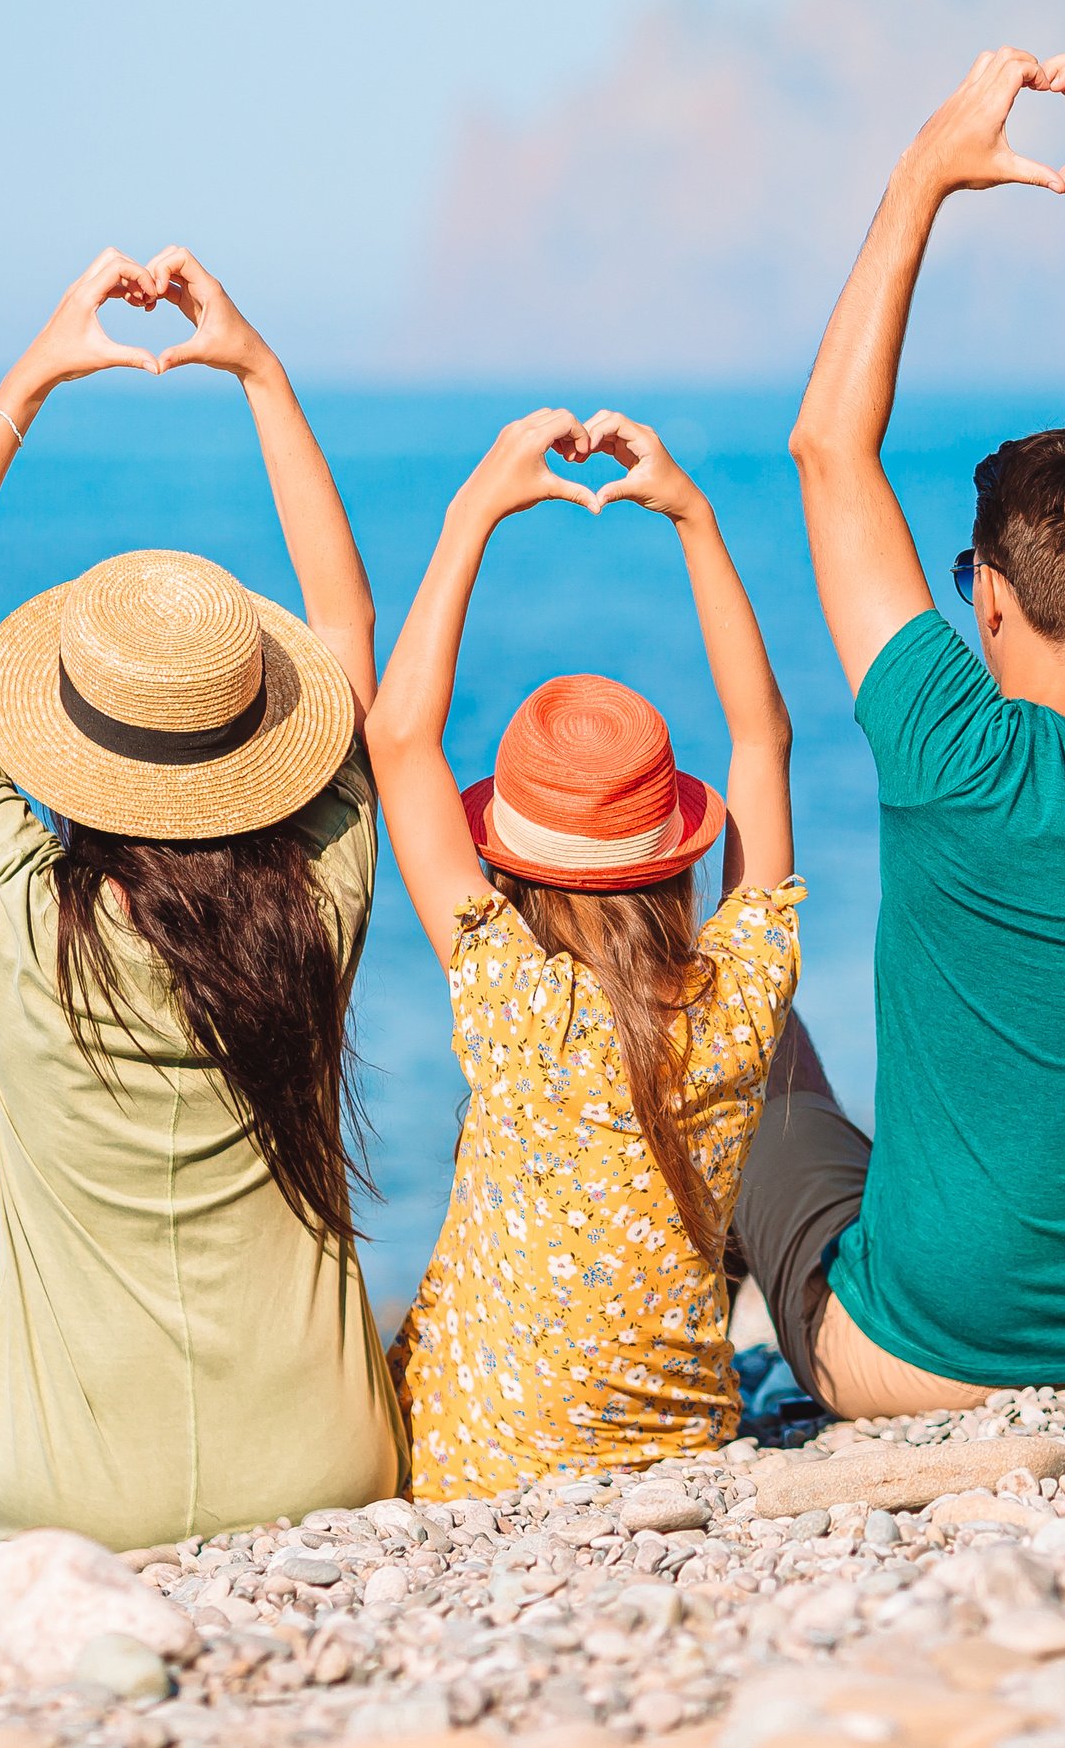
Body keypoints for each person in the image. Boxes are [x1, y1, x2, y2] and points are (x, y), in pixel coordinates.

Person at [0, 247, 404, 1605]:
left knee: (29, 1383)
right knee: (46, 1370)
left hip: (69, 1487)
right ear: (255, 740)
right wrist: (262, 377)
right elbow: (344, 625)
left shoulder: (13, 910)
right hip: (328, 1459)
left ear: (73, 750)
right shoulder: (321, 893)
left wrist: (28, 382)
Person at [737, 48, 1065, 1417]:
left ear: (980, 593)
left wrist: (923, 171)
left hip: (918, 1364)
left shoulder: (950, 754)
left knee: (756, 1071)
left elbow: (827, 451)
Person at [369, 408, 802, 1497]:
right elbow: (763, 739)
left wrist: (476, 508)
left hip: (474, 1459)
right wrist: (695, 519)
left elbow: (398, 738)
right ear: (675, 853)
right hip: (692, 1437)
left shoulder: (514, 997)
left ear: (505, 861)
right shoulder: (743, 994)